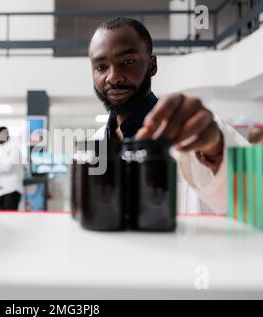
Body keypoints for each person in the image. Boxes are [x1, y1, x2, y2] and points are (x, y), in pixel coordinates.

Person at [89, 17, 249, 214]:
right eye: (100, 67)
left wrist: (216, 151)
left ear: (152, 65)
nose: (113, 77)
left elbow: (262, 197)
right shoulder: (94, 144)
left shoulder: (196, 129)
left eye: (127, 62)